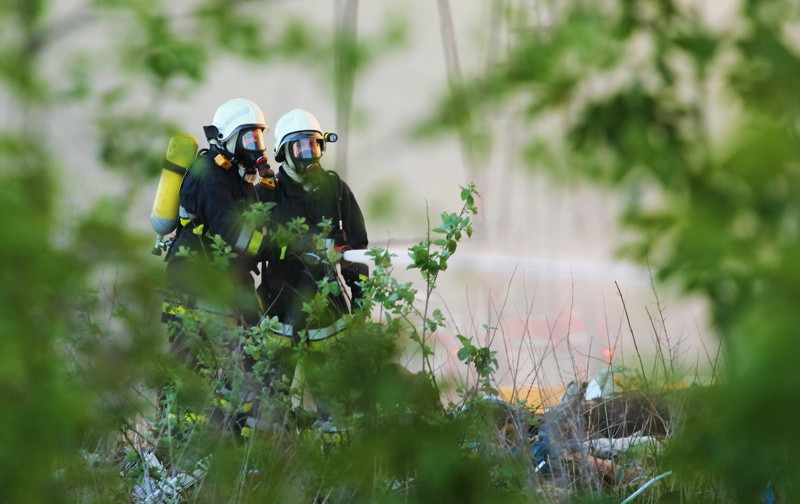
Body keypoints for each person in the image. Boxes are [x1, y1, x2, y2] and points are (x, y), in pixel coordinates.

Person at [254, 108, 368, 398]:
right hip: (279, 301)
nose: (311, 153)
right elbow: (247, 247)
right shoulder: (268, 193)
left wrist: (361, 305)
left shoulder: (336, 190)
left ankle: (333, 441)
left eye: (315, 144)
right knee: (270, 394)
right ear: (283, 153)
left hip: (327, 304)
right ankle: (273, 442)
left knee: (335, 396)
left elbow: (357, 252)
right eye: (301, 146)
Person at [162, 97, 271, 362]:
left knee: (253, 356)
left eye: (258, 138)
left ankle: (241, 403)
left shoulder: (235, 175)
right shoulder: (209, 177)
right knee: (191, 365)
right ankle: (179, 404)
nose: (255, 148)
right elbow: (233, 232)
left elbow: (256, 224)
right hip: (195, 278)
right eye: (249, 139)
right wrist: (277, 248)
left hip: (227, 276)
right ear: (226, 138)